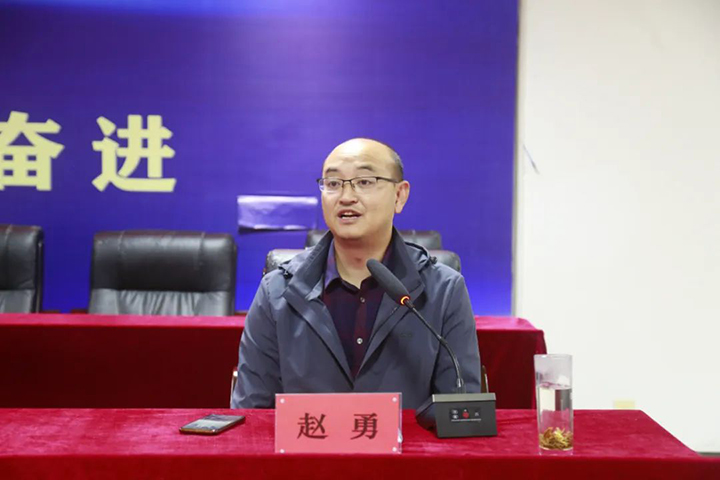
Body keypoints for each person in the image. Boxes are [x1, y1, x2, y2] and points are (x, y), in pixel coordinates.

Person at [231, 138, 481, 409]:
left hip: (409, 439)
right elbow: (252, 411)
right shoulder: (276, 291)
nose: (346, 197)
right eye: (333, 183)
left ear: (399, 195)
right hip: (308, 437)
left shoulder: (444, 290)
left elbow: (460, 411)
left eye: (364, 181)